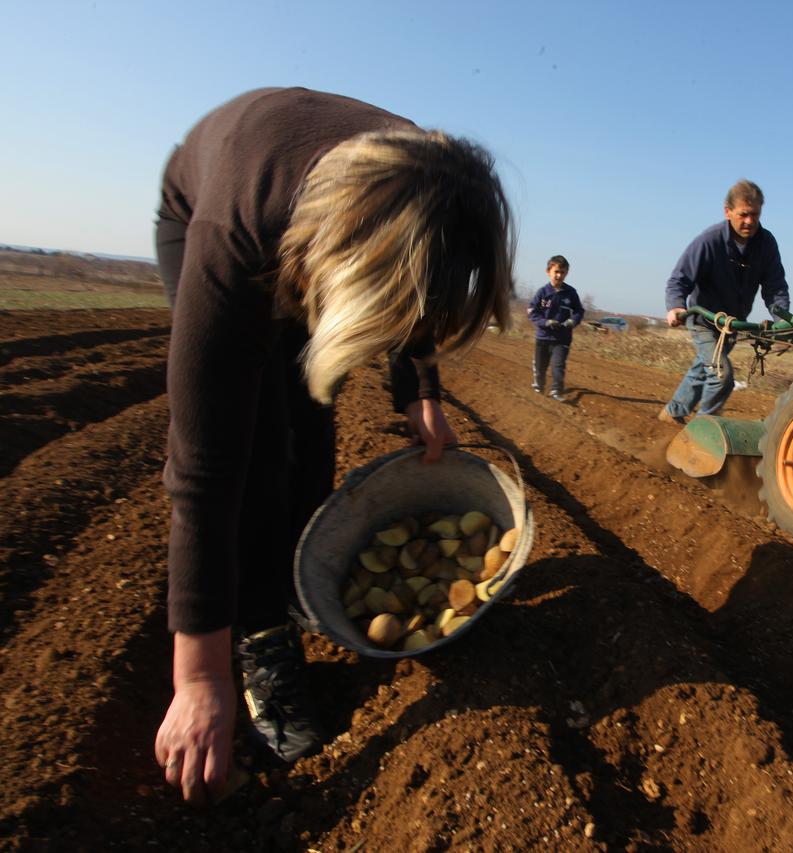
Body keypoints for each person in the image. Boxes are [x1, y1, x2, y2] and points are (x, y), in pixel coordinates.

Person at [150, 87, 514, 804]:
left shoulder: (430, 174)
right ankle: (259, 640)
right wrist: (198, 676)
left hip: (317, 222)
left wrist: (421, 392)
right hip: (206, 210)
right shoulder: (233, 232)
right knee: (252, 444)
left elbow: (413, 280)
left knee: (310, 423)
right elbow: (201, 472)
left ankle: (289, 580)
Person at [660, 180, 790, 423]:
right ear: (727, 211)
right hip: (704, 320)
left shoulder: (766, 244)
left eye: (755, 214)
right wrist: (676, 306)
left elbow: (775, 286)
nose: (749, 221)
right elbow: (679, 279)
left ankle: (673, 413)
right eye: (743, 214)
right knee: (721, 375)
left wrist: (782, 319)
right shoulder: (709, 241)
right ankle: (703, 430)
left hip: (732, 324)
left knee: (704, 369)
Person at [526, 254, 584, 402]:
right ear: (548, 271)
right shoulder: (542, 293)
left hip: (562, 338)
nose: (559, 275)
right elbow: (532, 312)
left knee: (558, 366)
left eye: (562, 272)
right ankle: (539, 385)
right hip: (543, 337)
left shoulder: (571, 293)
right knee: (540, 367)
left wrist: (572, 321)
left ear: (567, 273)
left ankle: (556, 391)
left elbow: (579, 311)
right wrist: (545, 322)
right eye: (556, 271)